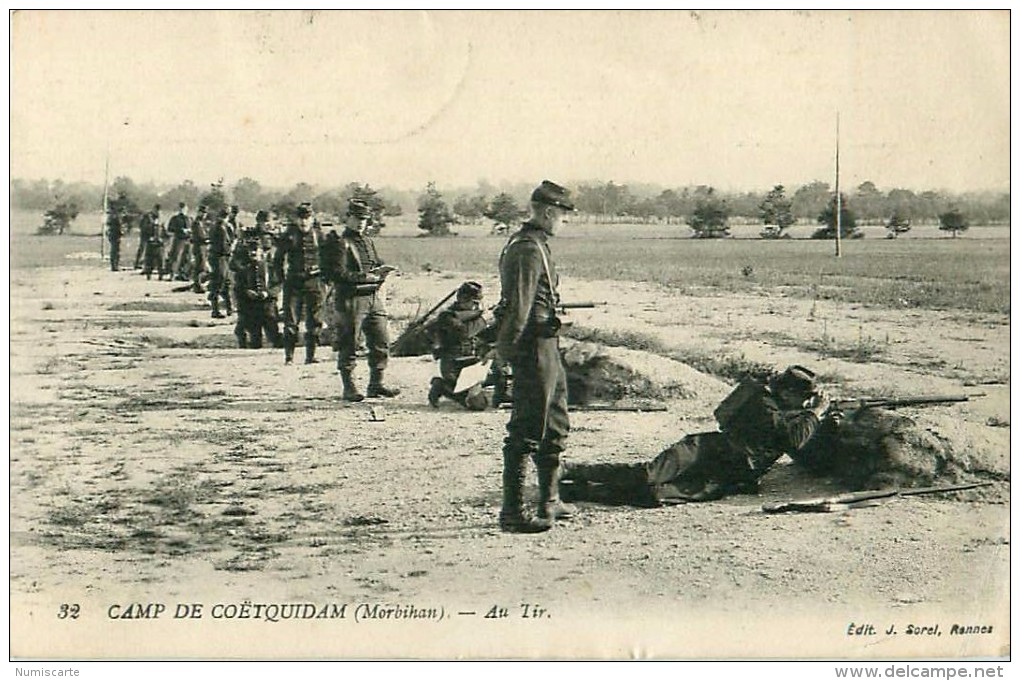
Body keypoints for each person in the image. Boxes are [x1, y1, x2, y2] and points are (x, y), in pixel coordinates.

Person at [558, 366, 833, 506]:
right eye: (800, 396)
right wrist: (816, 412)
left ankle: (580, 490)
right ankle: (574, 469)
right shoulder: (763, 403)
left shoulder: (779, 407)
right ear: (786, 393)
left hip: (731, 471)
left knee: (658, 494)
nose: (803, 402)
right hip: (709, 448)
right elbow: (794, 438)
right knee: (649, 474)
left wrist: (809, 414)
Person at [494, 180, 576, 533]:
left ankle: (550, 499)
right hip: (532, 347)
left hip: (546, 345)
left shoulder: (536, 244)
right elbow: (520, 309)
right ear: (547, 213)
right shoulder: (528, 249)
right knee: (528, 425)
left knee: (554, 421)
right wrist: (505, 353)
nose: (564, 223)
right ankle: (512, 512)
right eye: (562, 216)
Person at [325, 198, 400, 401]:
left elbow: (373, 262)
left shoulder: (367, 241)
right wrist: (367, 277)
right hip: (351, 300)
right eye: (357, 218)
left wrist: (384, 269)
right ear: (347, 218)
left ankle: (376, 384)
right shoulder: (340, 243)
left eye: (364, 219)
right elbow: (337, 274)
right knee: (349, 343)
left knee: (381, 341)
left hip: (373, 297)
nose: (360, 223)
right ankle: (349, 387)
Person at [427, 281, 495, 408]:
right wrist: (484, 319)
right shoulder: (447, 316)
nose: (476, 306)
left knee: (497, 376)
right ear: (462, 300)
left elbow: (487, 335)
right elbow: (465, 332)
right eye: (473, 303)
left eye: (478, 303)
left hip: (472, 363)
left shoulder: (474, 317)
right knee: (477, 405)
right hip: (454, 365)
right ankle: (441, 386)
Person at [273, 202, 324, 365]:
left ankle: (311, 355)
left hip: (314, 282)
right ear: (296, 219)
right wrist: (281, 280)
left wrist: (325, 278)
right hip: (294, 282)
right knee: (291, 320)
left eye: (307, 218)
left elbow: (329, 258)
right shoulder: (289, 236)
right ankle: (289, 357)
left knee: (315, 320)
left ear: (312, 218)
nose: (303, 222)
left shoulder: (319, 236)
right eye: (301, 218)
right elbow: (277, 260)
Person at [229, 217, 275, 349]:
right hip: (246, 296)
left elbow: (276, 281)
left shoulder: (268, 262)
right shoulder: (242, 252)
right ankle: (245, 340)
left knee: (270, 323)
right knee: (247, 322)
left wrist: (268, 293)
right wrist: (245, 291)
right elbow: (235, 269)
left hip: (266, 300)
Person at [207, 207, 234, 318]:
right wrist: (230, 251)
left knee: (223, 282)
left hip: (216, 257)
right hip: (220, 257)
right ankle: (216, 310)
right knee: (220, 282)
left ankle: (228, 308)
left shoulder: (215, 226)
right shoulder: (222, 228)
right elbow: (224, 245)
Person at [166, 203, 191, 281]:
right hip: (178, 239)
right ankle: (172, 274)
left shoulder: (189, 218)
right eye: (182, 209)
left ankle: (182, 273)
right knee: (175, 256)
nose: (183, 210)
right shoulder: (175, 219)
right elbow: (170, 229)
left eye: (184, 209)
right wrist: (180, 230)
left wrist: (189, 231)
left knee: (186, 257)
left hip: (188, 239)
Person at [139, 204, 165, 280]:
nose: (158, 213)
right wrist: (148, 237)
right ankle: (148, 273)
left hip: (159, 242)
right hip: (150, 241)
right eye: (156, 211)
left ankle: (161, 274)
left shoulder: (162, 219)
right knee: (149, 258)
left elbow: (164, 230)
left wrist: (163, 238)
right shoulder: (147, 217)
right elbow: (143, 228)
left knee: (160, 258)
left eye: (159, 212)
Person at [190, 204, 210, 293]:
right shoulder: (197, 223)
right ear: (199, 213)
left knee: (201, 266)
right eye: (203, 213)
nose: (204, 214)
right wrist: (207, 239)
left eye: (205, 213)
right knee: (199, 267)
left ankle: (198, 284)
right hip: (199, 246)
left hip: (202, 247)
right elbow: (199, 236)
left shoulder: (202, 223)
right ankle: (197, 285)